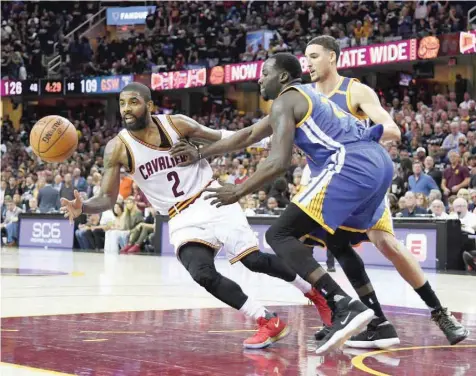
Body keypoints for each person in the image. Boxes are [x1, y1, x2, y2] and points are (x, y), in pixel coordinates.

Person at [170, 52, 468, 352]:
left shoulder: (295, 98)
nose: (258, 78)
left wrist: (238, 191)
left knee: (279, 235)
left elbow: (279, 161)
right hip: (376, 163)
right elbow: (246, 135)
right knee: (337, 240)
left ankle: (342, 304)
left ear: (284, 76)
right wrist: (200, 153)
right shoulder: (305, 96)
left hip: (348, 164)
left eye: (265, 73)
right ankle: (377, 322)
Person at [60, 82, 331, 350]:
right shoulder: (117, 148)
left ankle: (314, 293)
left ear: (150, 105)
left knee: (253, 260)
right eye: (121, 103)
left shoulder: (176, 124)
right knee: (202, 273)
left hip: (210, 197)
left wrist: (270, 142)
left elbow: (222, 137)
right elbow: (108, 198)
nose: (126, 109)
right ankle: (266, 320)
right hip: (179, 217)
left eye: (133, 102)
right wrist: (83, 207)